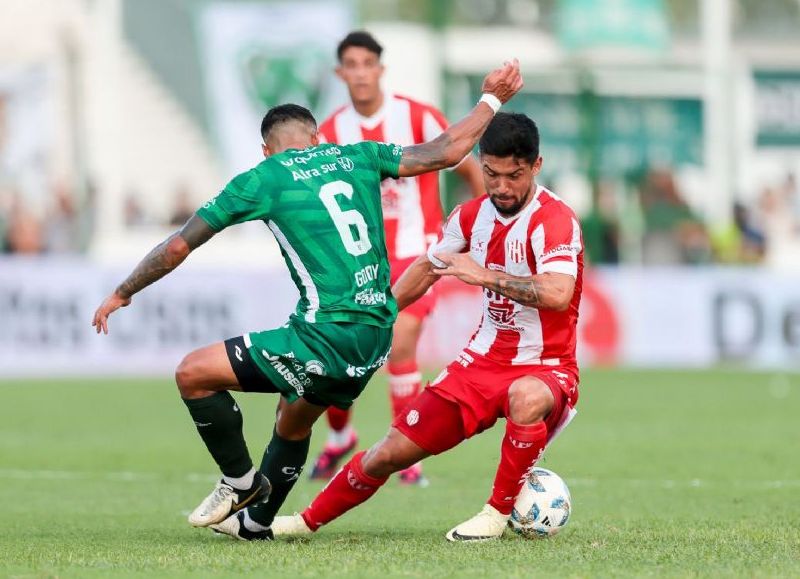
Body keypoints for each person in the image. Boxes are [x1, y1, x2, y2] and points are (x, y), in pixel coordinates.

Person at [91, 62, 523, 538]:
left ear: (266, 148)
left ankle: (238, 481)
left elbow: (178, 246)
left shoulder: (264, 176)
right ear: (316, 138)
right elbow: (446, 151)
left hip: (326, 333)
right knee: (293, 421)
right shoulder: (357, 155)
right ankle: (256, 523)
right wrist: (491, 99)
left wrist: (122, 291)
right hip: (377, 332)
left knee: (192, 374)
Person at [226, 112, 584, 543]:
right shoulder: (471, 217)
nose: (501, 187)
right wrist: (382, 313)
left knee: (525, 397)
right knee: (388, 452)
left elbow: (558, 293)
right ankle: (304, 521)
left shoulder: (555, 219)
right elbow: (427, 268)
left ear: (536, 166)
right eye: (491, 173)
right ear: (480, 163)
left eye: (514, 175)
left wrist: (483, 275)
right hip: (480, 364)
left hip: (547, 367)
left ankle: (495, 513)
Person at [309, 31, 486, 485]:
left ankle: (406, 453)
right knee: (340, 349)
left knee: (401, 340)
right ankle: (340, 437)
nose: (361, 71)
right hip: (361, 259)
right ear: (340, 72)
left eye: (368, 62)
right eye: (352, 63)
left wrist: (479, 230)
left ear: (380, 69)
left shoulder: (419, 117)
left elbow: (468, 170)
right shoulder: (329, 133)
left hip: (417, 251)